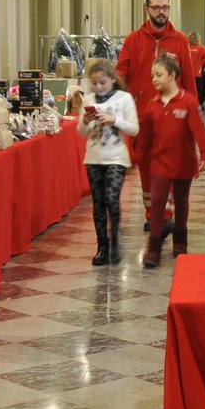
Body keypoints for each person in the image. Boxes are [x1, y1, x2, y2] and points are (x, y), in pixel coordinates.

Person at [117, 0, 197, 228]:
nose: (161, 12)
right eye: (157, 8)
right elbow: (121, 75)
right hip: (142, 118)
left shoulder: (180, 40)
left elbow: (189, 81)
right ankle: (152, 215)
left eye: (165, 7)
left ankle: (166, 214)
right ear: (147, 9)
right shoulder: (133, 40)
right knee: (147, 170)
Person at [141, 53, 205, 268]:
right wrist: (138, 156)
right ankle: (153, 249)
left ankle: (180, 243)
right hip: (159, 163)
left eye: (158, 75)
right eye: (153, 75)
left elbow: (198, 130)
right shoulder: (152, 105)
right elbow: (145, 136)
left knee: (181, 204)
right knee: (158, 202)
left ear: (172, 75)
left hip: (184, 163)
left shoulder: (187, 102)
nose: (154, 79)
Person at [79, 58, 140, 266]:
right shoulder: (88, 99)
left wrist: (115, 120)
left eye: (102, 82)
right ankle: (101, 246)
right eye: (94, 83)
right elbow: (81, 132)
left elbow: (134, 128)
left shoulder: (124, 99)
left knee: (112, 199)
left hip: (116, 157)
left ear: (113, 80)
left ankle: (114, 239)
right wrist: (86, 121)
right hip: (94, 158)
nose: (98, 87)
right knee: (98, 203)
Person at [190, 31, 205, 117]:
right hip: (197, 74)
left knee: (188, 93)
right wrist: (201, 63)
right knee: (198, 93)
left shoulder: (186, 47)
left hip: (187, 75)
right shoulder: (200, 48)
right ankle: (197, 109)